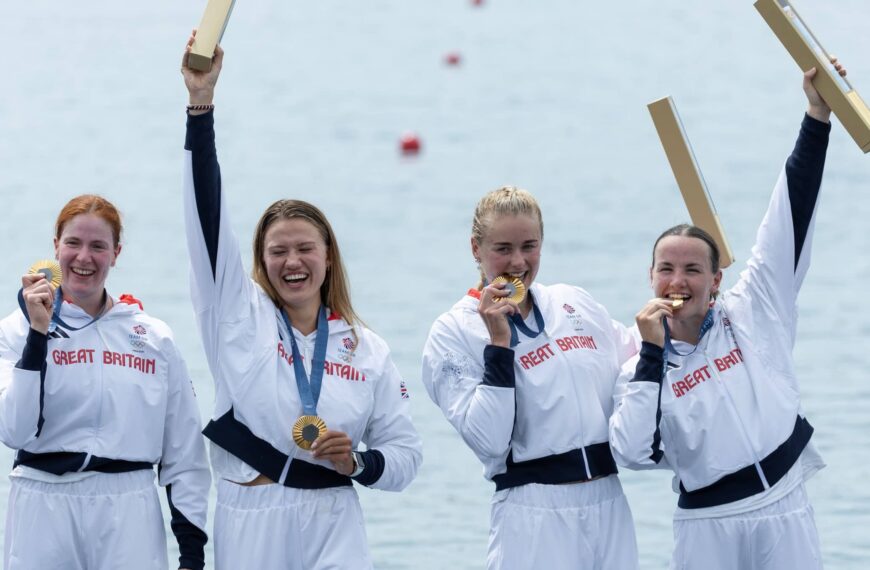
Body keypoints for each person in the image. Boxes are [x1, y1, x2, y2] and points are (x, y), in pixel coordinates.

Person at [180, 36, 422, 570]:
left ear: (328, 257)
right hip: (254, 513)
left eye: (305, 248)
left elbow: (405, 456)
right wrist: (201, 107)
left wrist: (358, 461)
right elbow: (206, 221)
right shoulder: (237, 316)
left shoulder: (367, 348)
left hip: (336, 517)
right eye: (278, 251)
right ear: (261, 262)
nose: (293, 261)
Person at [609, 63, 846, 570]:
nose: (679, 282)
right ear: (650, 277)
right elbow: (630, 451)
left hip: (784, 506)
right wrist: (652, 355)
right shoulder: (637, 367)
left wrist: (817, 113)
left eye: (694, 269)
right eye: (667, 269)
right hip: (706, 526)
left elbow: (790, 214)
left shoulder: (755, 308)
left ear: (716, 280)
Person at [421, 186, 641, 569]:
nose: (518, 261)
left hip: (609, 500)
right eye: (502, 248)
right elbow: (488, 440)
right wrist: (499, 345)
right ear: (476, 248)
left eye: (529, 246)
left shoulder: (573, 301)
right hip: (533, 509)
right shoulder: (453, 331)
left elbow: (636, 360)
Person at [0, 195, 211, 570]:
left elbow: (184, 453)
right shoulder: (14, 330)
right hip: (42, 503)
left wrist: (192, 553)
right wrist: (38, 335)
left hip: (128, 509)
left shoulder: (153, 338)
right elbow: (15, 430)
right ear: (55, 247)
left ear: (116, 253)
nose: (84, 258)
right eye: (73, 243)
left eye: (98, 246)